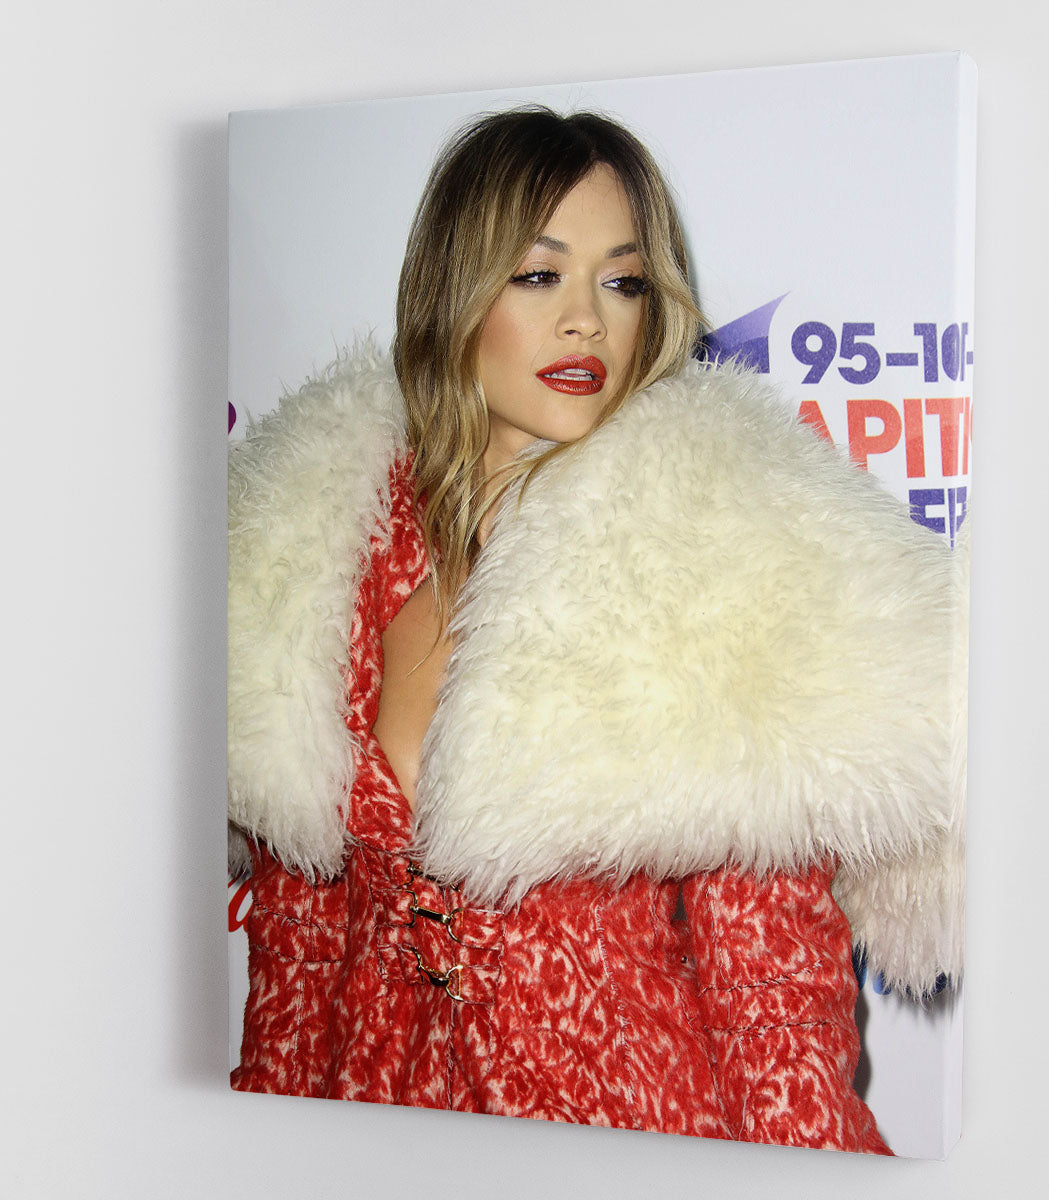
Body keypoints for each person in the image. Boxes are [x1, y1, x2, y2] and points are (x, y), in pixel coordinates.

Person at [227, 106, 966, 1153]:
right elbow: (299, 945)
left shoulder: (709, 556)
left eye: (621, 282)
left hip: (622, 1134)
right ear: (453, 292)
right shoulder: (319, 553)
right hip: (375, 1121)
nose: (586, 321)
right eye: (540, 275)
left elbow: (773, 996)